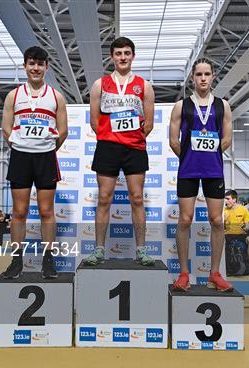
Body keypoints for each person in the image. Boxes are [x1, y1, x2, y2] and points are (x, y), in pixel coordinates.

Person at [84, 37, 155, 266]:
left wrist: (131, 138)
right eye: (118, 53)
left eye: (126, 53)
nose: (123, 57)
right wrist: (111, 137)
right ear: (112, 56)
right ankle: (99, 250)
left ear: (133, 56)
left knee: (137, 198)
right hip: (108, 147)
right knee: (104, 198)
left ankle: (142, 250)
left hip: (135, 147)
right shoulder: (100, 84)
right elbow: (94, 121)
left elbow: (149, 123)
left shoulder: (144, 86)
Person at [1, 46, 68, 279]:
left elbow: (63, 130)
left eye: (40, 64)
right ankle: (16, 260)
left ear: (46, 67)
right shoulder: (14, 95)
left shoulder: (56, 96)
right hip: (20, 157)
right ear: (25, 66)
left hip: (45, 157)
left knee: (46, 210)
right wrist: (21, 145)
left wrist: (46, 148)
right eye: (31, 63)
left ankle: (48, 260)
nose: (36, 68)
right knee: (19, 211)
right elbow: (6, 128)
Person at [169, 57, 234, 291]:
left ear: (213, 76)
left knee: (217, 220)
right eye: (199, 74)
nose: (203, 78)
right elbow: (173, 140)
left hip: (213, 170)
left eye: (207, 74)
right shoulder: (181, 106)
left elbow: (227, 138)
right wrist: (189, 157)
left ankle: (214, 274)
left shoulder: (223, 105)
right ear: (193, 78)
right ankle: (184, 274)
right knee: (185, 220)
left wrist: (209, 155)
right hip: (188, 169)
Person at [223, 190, 249, 276]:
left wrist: (245, 228)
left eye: (228, 199)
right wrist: (223, 220)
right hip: (227, 234)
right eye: (225, 199)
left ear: (234, 199)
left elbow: (248, 226)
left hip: (241, 234)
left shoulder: (243, 209)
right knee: (223, 242)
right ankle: (228, 268)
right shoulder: (223, 210)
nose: (226, 201)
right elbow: (219, 227)